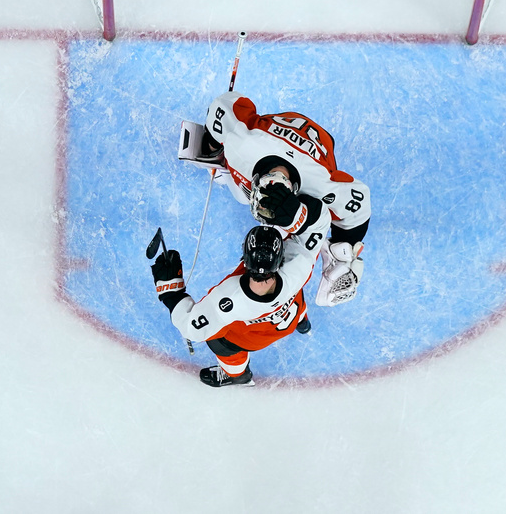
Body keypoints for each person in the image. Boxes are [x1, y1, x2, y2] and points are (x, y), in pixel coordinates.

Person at [178, 91, 368, 306]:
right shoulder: (242, 141)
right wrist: (215, 146)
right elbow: (221, 106)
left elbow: (360, 203)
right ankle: (226, 170)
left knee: (274, 215)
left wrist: (345, 248)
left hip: (317, 149)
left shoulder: (320, 184)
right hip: (283, 137)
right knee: (243, 198)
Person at [151, 198, 329, 387]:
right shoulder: (299, 263)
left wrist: (171, 289)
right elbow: (320, 221)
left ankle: (238, 376)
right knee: (294, 297)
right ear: (279, 259)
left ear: (245, 258)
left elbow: (192, 329)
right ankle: (303, 324)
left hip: (252, 339)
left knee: (218, 341)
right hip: (289, 317)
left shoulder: (228, 299)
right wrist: (292, 206)